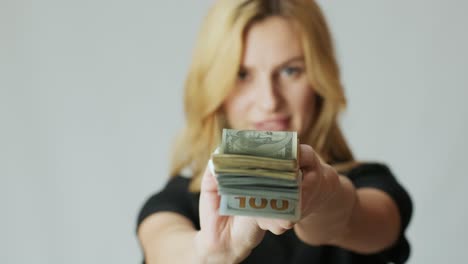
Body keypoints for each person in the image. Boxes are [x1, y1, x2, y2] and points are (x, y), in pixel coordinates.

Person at [136, 0, 413, 263]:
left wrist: (321, 195)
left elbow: (355, 220)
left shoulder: (373, 185)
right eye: (242, 75)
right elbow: (164, 249)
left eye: (290, 71)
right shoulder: (176, 201)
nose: (269, 101)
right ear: (216, 89)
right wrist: (208, 253)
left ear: (319, 80)